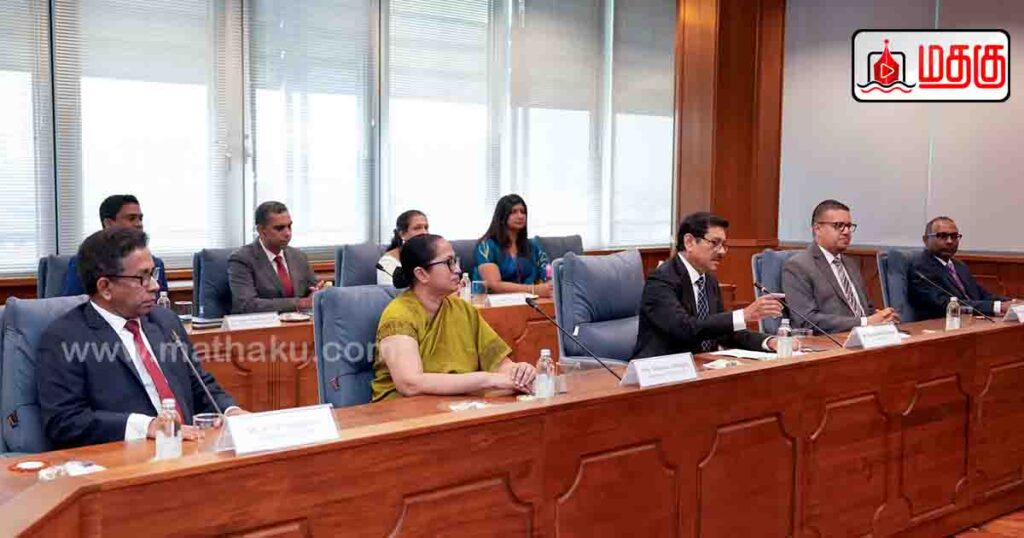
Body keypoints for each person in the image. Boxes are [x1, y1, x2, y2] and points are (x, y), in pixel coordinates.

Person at [37, 227, 243, 449]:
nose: (155, 286)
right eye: (142, 277)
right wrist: (146, 426)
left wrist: (230, 411)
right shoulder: (65, 338)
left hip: (190, 449)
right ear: (105, 288)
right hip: (127, 457)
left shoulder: (165, 321)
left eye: (153, 274)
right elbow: (64, 421)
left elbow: (199, 384)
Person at [372, 234, 537, 401]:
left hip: (459, 404)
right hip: (406, 409)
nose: (458, 269)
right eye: (449, 263)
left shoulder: (463, 310)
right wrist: (486, 379)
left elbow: (500, 364)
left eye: (455, 261)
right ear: (422, 274)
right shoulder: (398, 315)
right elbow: (410, 384)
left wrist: (519, 372)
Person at [633, 212, 783, 359]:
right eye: (714, 243)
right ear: (689, 242)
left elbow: (724, 332)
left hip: (702, 366)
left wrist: (769, 342)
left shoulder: (708, 280)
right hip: (663, 368)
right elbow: (684, 329)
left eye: (724, 245)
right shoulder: (661, 280)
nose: (722, 251)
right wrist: (743, 315)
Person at [782, 199, 899, 333]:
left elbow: (867, 309)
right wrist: (865, 322)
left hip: (866, 336)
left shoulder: (850, 264)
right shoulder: (798, 266)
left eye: (849, 226)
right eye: (839, 226)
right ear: (817, 229)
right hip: (831, 341)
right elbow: (806, 321)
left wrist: (882, 317)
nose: (846, 231)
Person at [908, 216, 1021, 319]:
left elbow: (982, 295)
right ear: (926, 240)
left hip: (970, 321)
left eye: (954, 236)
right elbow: (943, 304)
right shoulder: (921, 268)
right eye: (942, 236)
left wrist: (1013, 302)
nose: (949, 241)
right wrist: (997, 307)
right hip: (939, 326)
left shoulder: (959, 266)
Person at [62, 194, 169, 296]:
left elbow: (161, 302)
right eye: (131, 218)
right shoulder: (84, 263)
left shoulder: (155, 264)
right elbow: (73, 303)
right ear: (108, 223)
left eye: (140, 219)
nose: (139, 224)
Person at [228, 201, 323, 314]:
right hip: (262, 323)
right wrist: (300, 303)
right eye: (279, 228)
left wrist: (318, 293)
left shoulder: (299, 256)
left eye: (289, 226)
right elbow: (247, 305)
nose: (288, 233)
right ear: (261, 230)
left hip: (299, 322)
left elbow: (312, 291)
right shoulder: (242, 259)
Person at [472, 194, 551, 297]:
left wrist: (547, 285)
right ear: (502, 217)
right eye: (514, 212)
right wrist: (533, 290)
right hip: (495, 302)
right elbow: (494, 285)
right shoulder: (486, 246)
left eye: (523, 212)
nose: (520, 216)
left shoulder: (533, 247)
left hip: (531, 301)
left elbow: (548, 276)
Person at [377, 210, 429, 285]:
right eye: (417, 228)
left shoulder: (429, 255)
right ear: (402, 234)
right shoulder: (388, 263)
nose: (425, 232)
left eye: (426, 227)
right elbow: (390, 291)